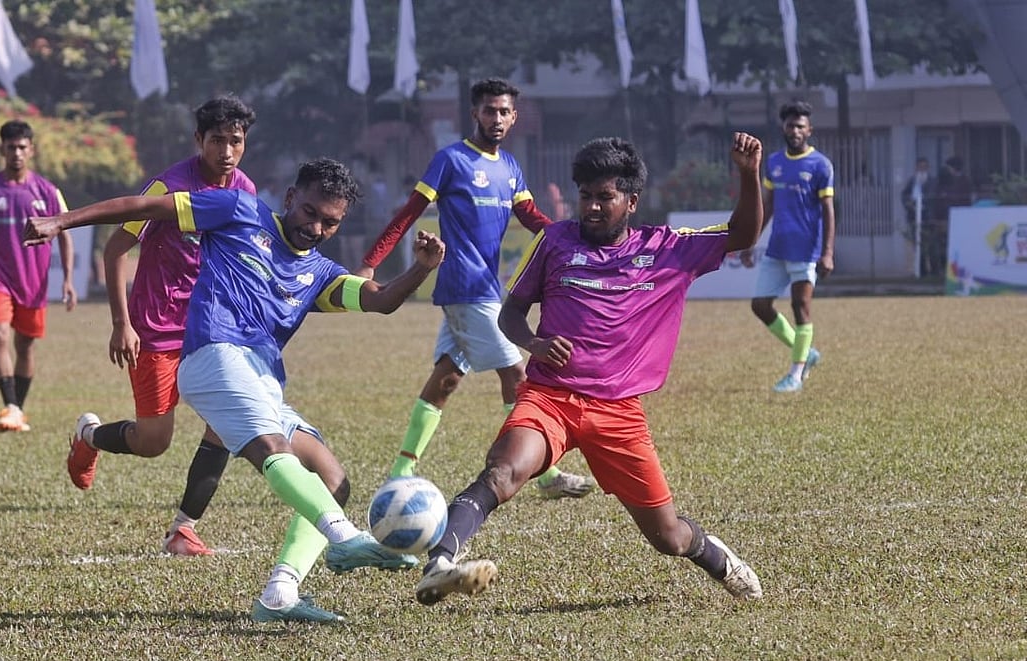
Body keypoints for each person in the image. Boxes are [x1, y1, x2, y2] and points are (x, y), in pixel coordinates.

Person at [24, 158, 446, 623]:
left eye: (330, 222)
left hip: (262, 379)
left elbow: (380, 300)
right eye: (310, 212)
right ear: (290, 198)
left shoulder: (321, 273)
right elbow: (143, 207)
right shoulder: (238, 210)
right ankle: (344, 539)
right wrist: (61, 221)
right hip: (213, 356)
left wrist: (421, 269)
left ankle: (280, 593)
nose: (316, 228)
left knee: (333, 480)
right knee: (270, 449)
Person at [412, 134, 766, 607]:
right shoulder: (555, 241)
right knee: (502, 472)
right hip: (550, 397)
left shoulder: (667, 249)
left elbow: (743, 235)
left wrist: (748, 173)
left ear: (631, 201)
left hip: (619, 412)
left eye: (605, 197)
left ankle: (718, 559)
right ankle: (439, 565)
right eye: (585, 196)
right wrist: (534, 343)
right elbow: (511, 312)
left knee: (668, 537)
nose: (593, 208)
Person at [356, 77, 594, 498]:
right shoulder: (451, 160)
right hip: (465, 287)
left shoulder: (510, 167)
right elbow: (409, 212)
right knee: (517, 373)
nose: (496, 118)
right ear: (474, 114)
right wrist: (370, 263)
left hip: (484, 287)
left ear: (514, 117)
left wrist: (570, 240)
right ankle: (547, 475)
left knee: (446, 378)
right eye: (489, 110)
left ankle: (400, 471)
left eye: (504, 112)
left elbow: (531, 217)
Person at [64, 96, 259, 558]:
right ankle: (89, 436)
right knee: (154, 442)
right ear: (198, 140)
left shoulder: (244, 189)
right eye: (217, 141)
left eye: (235, 141)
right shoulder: (167, 187)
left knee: (226, 422)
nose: (226, 152)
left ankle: (183, 530)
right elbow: (115, 249)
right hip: (155, 326)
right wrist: (121, 324)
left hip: (211, 327)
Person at [0, 120, 76, 432]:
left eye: (22, 147)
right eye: (11, 147)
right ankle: (10, 406)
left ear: (31, 150)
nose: (16, 153)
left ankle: (17, 409)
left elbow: (65, 234)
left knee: (25, 345)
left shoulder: (48, 191)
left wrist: (67, 279)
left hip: (34, 281)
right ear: (1, 149)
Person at [740, 100, 833, 394]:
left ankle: (796, 375)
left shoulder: (820, 165)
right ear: (783, 127)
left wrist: (828, 252)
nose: (795, 131)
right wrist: (750, 240)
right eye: (791, 125)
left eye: (800, 126)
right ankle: (805, 352)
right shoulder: (774, 163)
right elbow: (767, 206)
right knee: (760, 305)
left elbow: (828, 210)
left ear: (809, 130)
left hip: (806, 250)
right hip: (777, 248)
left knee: (799, 307)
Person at [933, 155, 973, 275]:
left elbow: (965, 200)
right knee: (943, 244)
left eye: (948, 167)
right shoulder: (943, 181)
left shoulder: (964, 181)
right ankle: (943, 268)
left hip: (959, 218)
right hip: (944, 218)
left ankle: (957, 269)